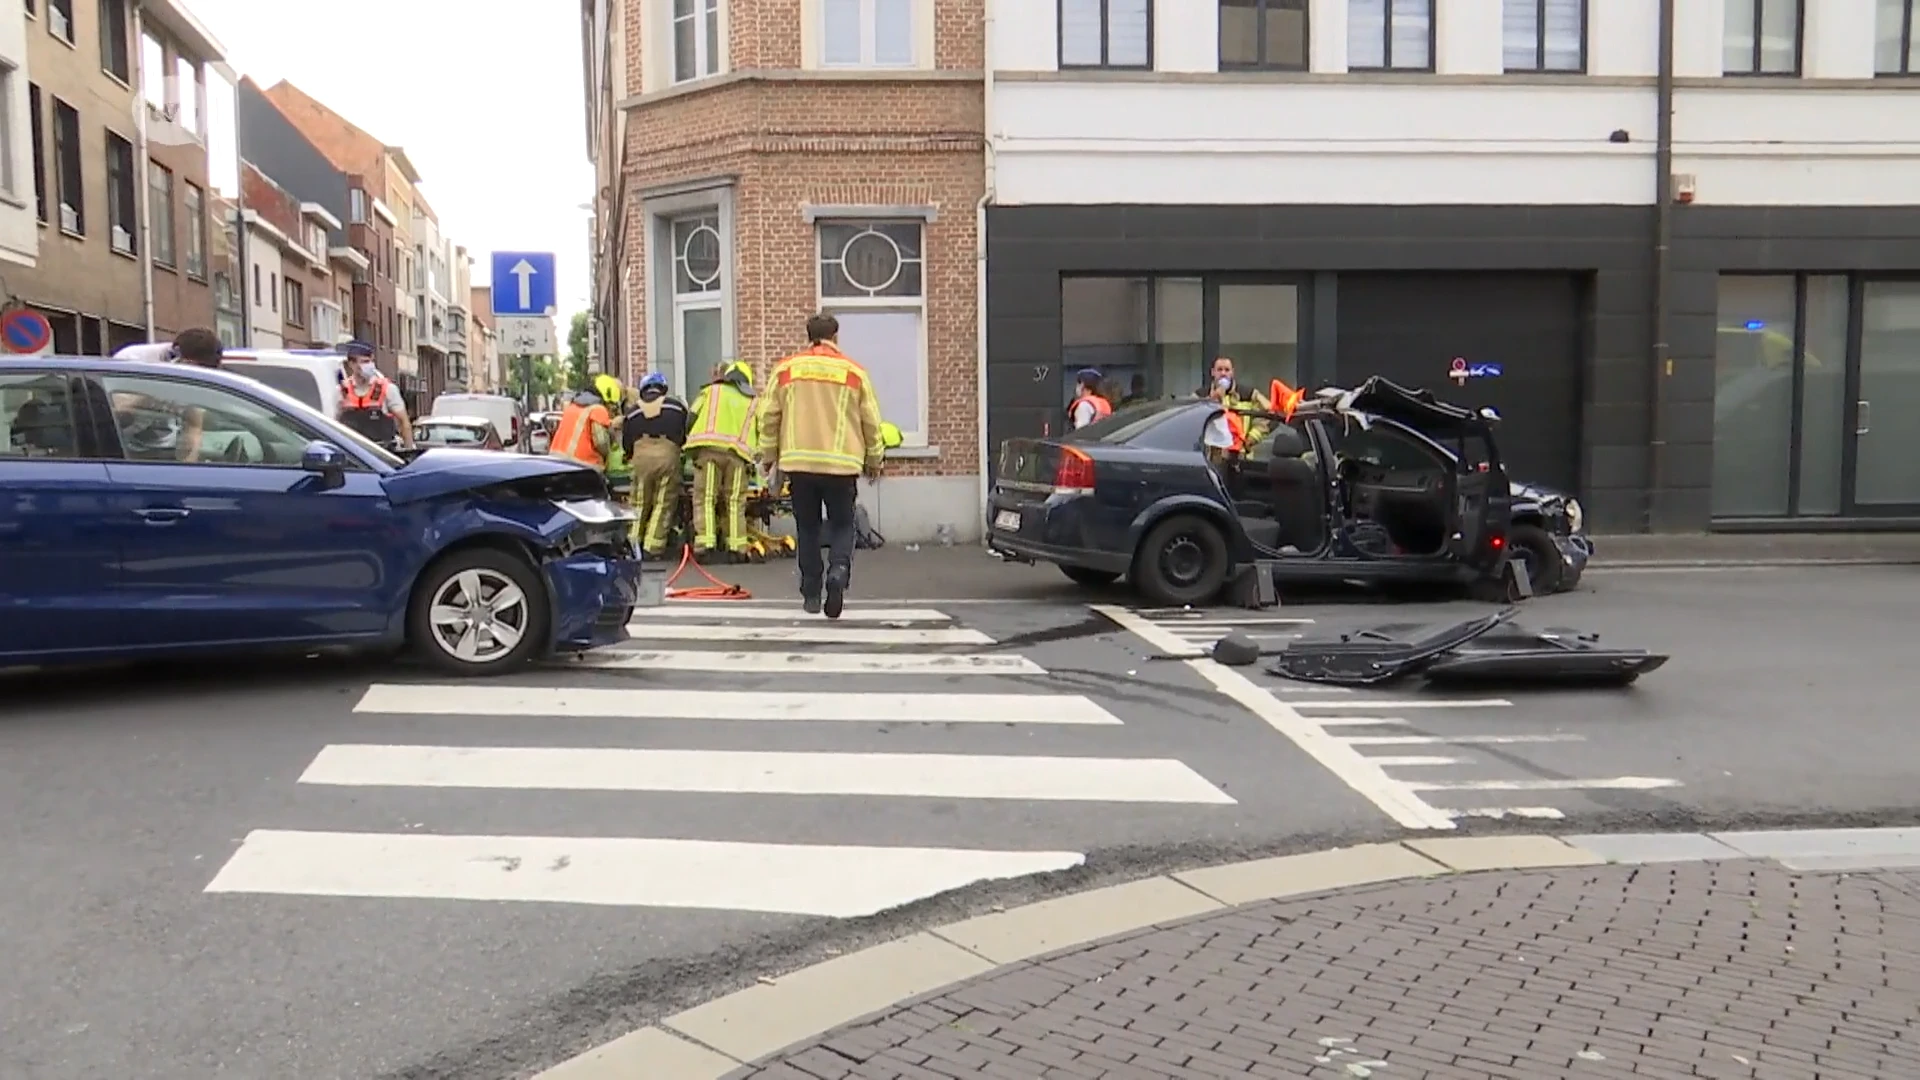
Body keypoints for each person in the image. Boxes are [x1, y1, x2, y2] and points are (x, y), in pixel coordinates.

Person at [758, 313, 884, 618]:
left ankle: (811, 592)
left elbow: (769, 416)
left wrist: (768, 456)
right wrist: (874, 459)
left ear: (808, 335)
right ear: (835, 336)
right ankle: (838, 571)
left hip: (799, 463)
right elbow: (871, 421)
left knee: (808, 526)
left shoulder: (786, 370)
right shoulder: (854, 372)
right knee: (843, 523)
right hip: (842, 465)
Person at [684, 359, 759, 562]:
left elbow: (691, 417)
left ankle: (705, 546)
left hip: (708, 452)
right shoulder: (753, 401)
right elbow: (759, 432)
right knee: (735, 501)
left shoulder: (712, 391)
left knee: (705, 498)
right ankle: (737, 548)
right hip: (737, 457)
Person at [621, 371, 689, 557]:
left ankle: (633, 545)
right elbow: (684, 435)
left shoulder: (632, 412)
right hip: (667, 457)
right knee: (663, 503)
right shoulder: (676, 407)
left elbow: (626, 444)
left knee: (639, 503)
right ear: (663, 389)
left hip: (641, 459)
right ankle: (652, 547)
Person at [337, 341, 414, 449]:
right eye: (364, 362)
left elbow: (404, 422)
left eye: (370, 361)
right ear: (352, 364)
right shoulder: (342, 391)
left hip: (382, 455)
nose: (369, 366)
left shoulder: (387, 389)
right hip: (353, 455)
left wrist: (409, 450)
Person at [549, 374, 621, 470]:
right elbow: (601, 443)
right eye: (611, 404)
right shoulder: (598, 409)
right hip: (580, 466)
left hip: (556, 462)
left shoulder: (574, 405)